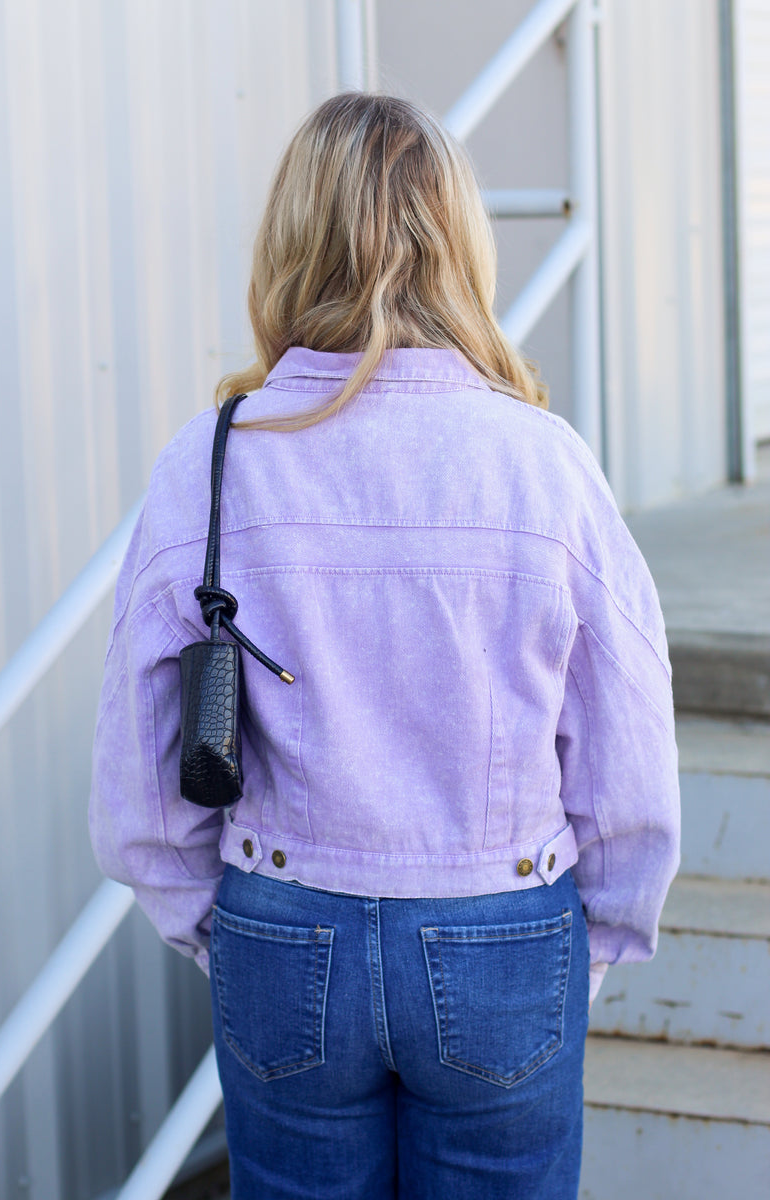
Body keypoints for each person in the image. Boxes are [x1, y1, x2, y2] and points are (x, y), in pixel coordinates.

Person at [89, 92, 680, 1200]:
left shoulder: (212, 461)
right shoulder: (543, 463)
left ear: (289, 244)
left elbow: (137, 771)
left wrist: (214, 926)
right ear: (456, 246)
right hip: (503, 922)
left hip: (281, 918)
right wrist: (595, 941)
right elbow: (628, 752)